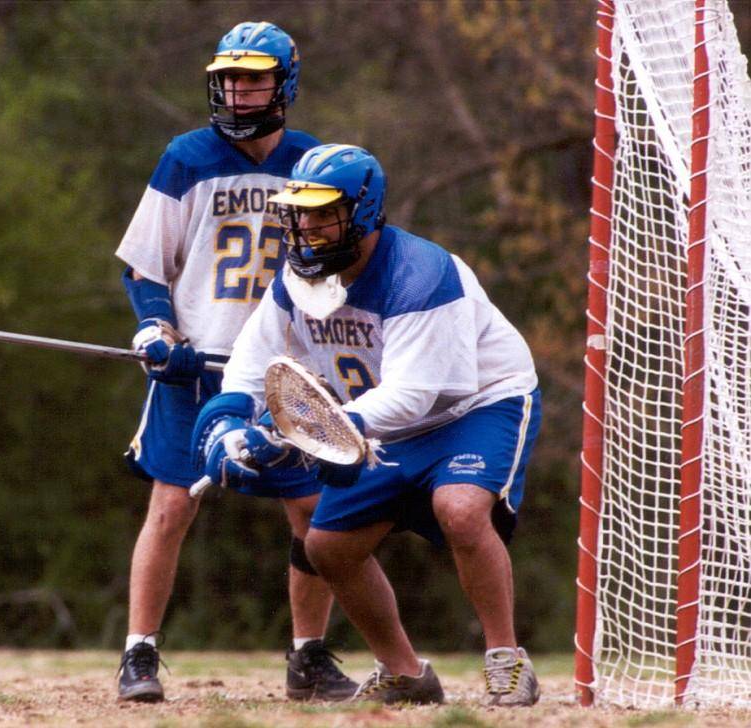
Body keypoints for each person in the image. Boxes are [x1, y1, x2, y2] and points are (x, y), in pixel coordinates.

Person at [196, 143, 542, 706]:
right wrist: (231, 419)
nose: (306, 226)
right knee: (327, 547)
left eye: (321, 212)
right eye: (299, 213)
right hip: (378, 419)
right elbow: (253, 357)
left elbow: (413, 394)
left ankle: (506, 659)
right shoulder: (298, 277)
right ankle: (404, 672)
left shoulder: (422, 274)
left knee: (459, 509)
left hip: (475, 407)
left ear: (362, 211)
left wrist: (315, 433)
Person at [114, 21, 356, 703]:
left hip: (285, 372)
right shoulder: (185, 158)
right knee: (171, 505)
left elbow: (337, 265)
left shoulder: (313, 166)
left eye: (253, 80)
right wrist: (155, 326)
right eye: (228, 80)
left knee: (311, 511)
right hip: (195, 365)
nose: (238, 92)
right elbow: (144, 265)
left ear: (283, 84)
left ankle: (307, 656)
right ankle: (138, 653)